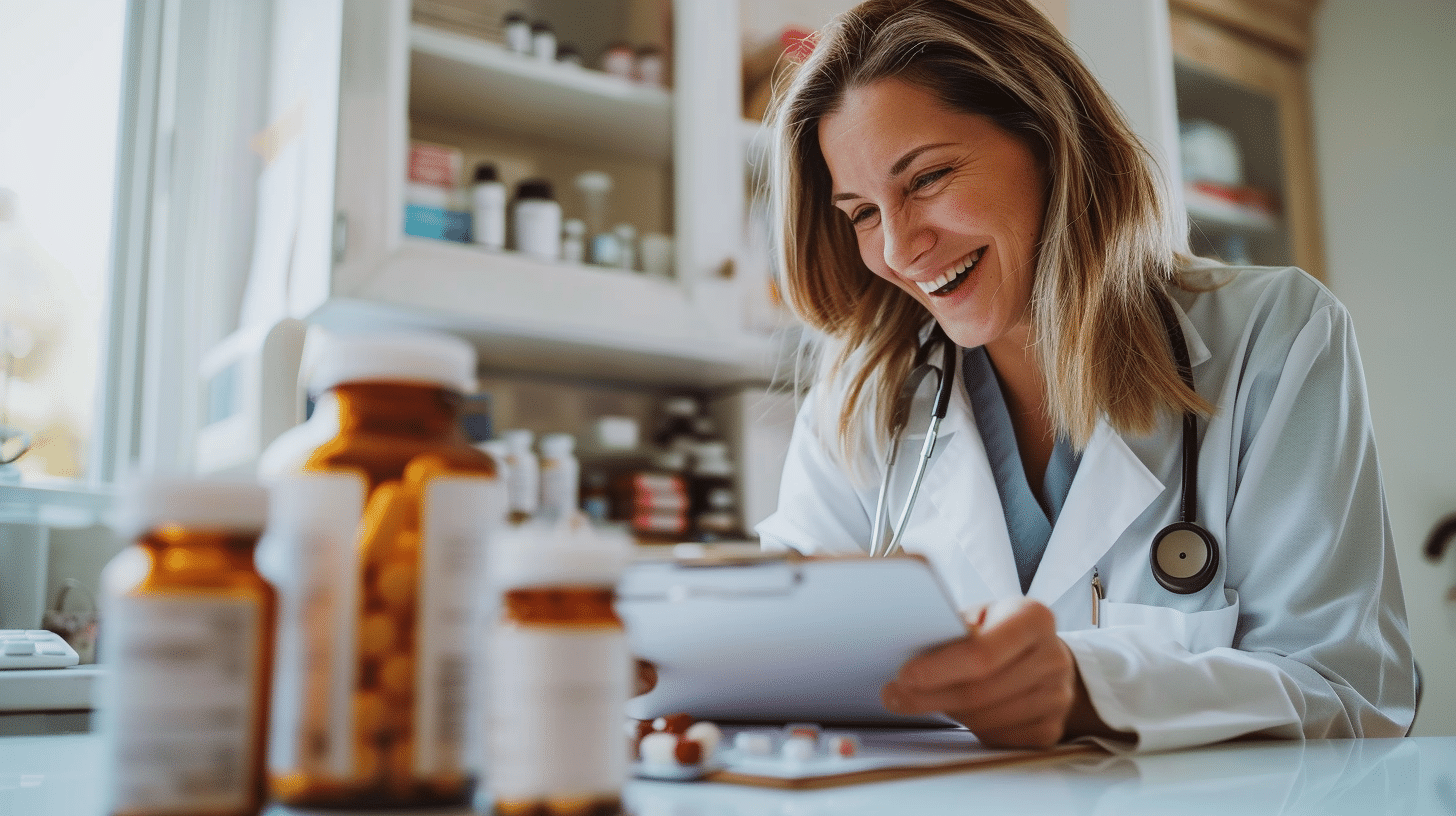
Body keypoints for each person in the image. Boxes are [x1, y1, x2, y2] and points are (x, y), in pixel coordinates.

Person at [752, 0, 1417, 751]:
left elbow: (1351, 695)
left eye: (929, 177)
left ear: (1049, 139)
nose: (900, 249)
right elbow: (780, 642)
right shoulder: (865, 397)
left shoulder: (1276, 336)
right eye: (862, 212)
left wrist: (1092, 691)